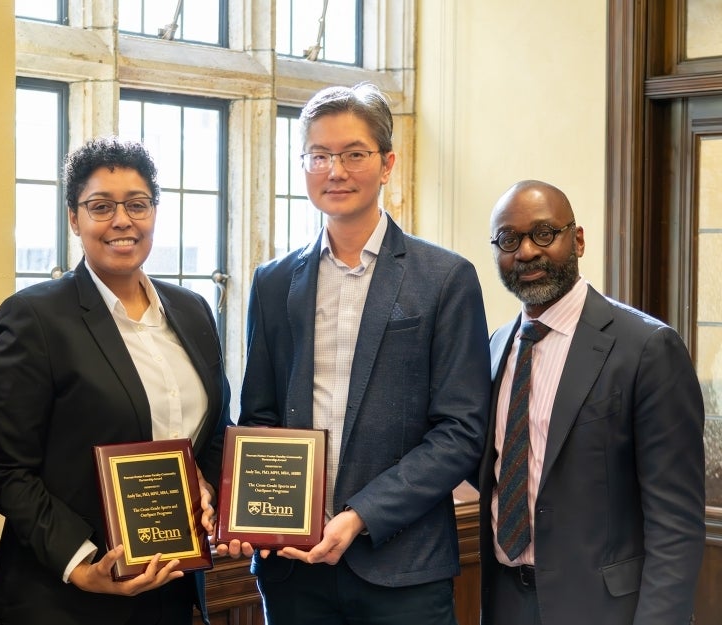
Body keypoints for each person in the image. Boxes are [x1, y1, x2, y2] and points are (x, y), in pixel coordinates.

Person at [227, 83, 491, 624]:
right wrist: (256, 515)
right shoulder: (275, 282)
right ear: (303, 166)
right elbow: (261, 417)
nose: (335, 170)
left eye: (353, 154)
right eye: (318, 156)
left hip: (403, 568)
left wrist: (359, 516)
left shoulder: (444, 278)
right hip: (294, 568)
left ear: (387, 163)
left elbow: (461, 431)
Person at [0, 137, 231, 625]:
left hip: (171, 591)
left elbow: (215, 433)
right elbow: (9, 471)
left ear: (155, 212)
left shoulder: (192, 310)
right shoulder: (34, 317)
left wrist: (205, 488)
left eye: (137, 205)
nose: (123, 220)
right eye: (101, 207)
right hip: (65, 598)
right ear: (74, 219)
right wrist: (81, 564)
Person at [480, 179, 705, 625]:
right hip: (505, 602)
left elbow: (676, 525)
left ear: (577, 239)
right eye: (509, 239)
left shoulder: (647, 348)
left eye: (544, 233)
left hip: (604, 610)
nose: (526, 252)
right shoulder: (495, 346)